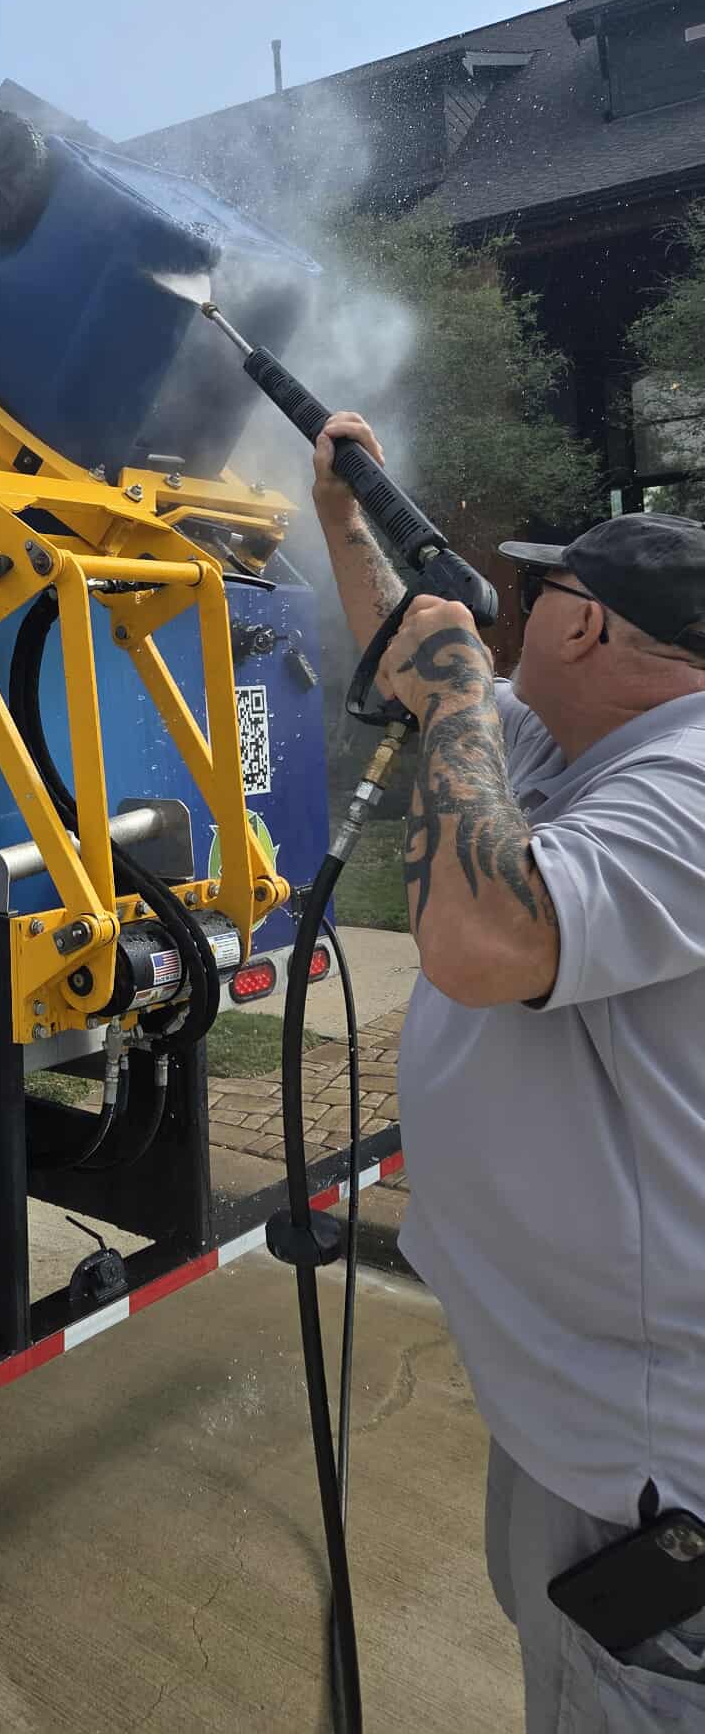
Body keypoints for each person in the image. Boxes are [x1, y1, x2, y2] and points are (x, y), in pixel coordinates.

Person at [313, 411, 705, 1733]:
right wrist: (345, 512)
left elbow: (486, 940)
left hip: (652, 1474)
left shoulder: (693, 784)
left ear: (589, 630)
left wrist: (459, 694)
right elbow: (428, 668)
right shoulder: (588, 744)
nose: (516, 608)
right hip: (579, 1420)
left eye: (542, 589)